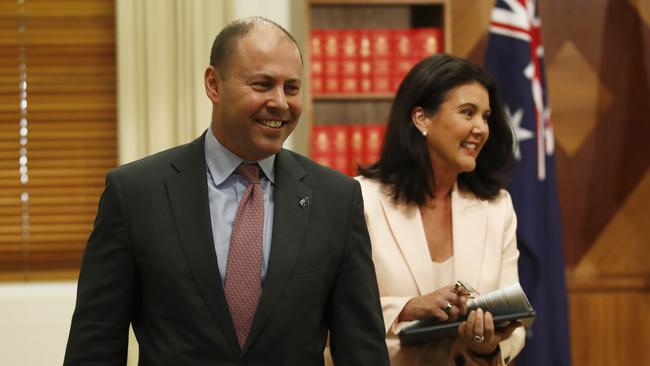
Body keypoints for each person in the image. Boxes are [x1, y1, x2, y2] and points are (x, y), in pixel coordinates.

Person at [64, 17, 389, 365]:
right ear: (214, 84)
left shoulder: (336, 199)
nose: (280, 102)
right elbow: (95, 343)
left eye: (292, 88)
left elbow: (362, 348)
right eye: (263, 84)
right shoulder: (136, 194)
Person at [356, 54, 525, 365]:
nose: (481, 128)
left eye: (486, 116)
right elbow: (328, 312)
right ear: (422, 118)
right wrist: (406, 309)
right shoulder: (360, 200)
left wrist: (484, 345)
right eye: (468, 113)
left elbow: (514, 328)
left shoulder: (497, 207)